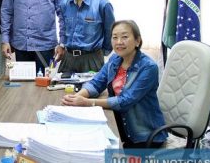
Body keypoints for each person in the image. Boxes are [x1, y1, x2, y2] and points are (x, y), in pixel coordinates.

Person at [61, 20, 168, 148]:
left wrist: (87, 102)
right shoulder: (115, 60)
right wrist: (78, 97)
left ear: (137, 41)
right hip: (120, 126)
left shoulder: (149, 67)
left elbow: (125, 101)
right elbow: (97, 82)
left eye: (124, 37)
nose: (118, 42)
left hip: (144, 136)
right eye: (115, 37)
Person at [56, 0, 115, 73]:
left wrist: (102, 53)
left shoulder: (102, 4)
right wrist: (61, 45)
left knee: (92, 89)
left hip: (92, 58)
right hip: (68, 58)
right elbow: (63, 29)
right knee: (63, 89)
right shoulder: (64, 3)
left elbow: (110, 32)